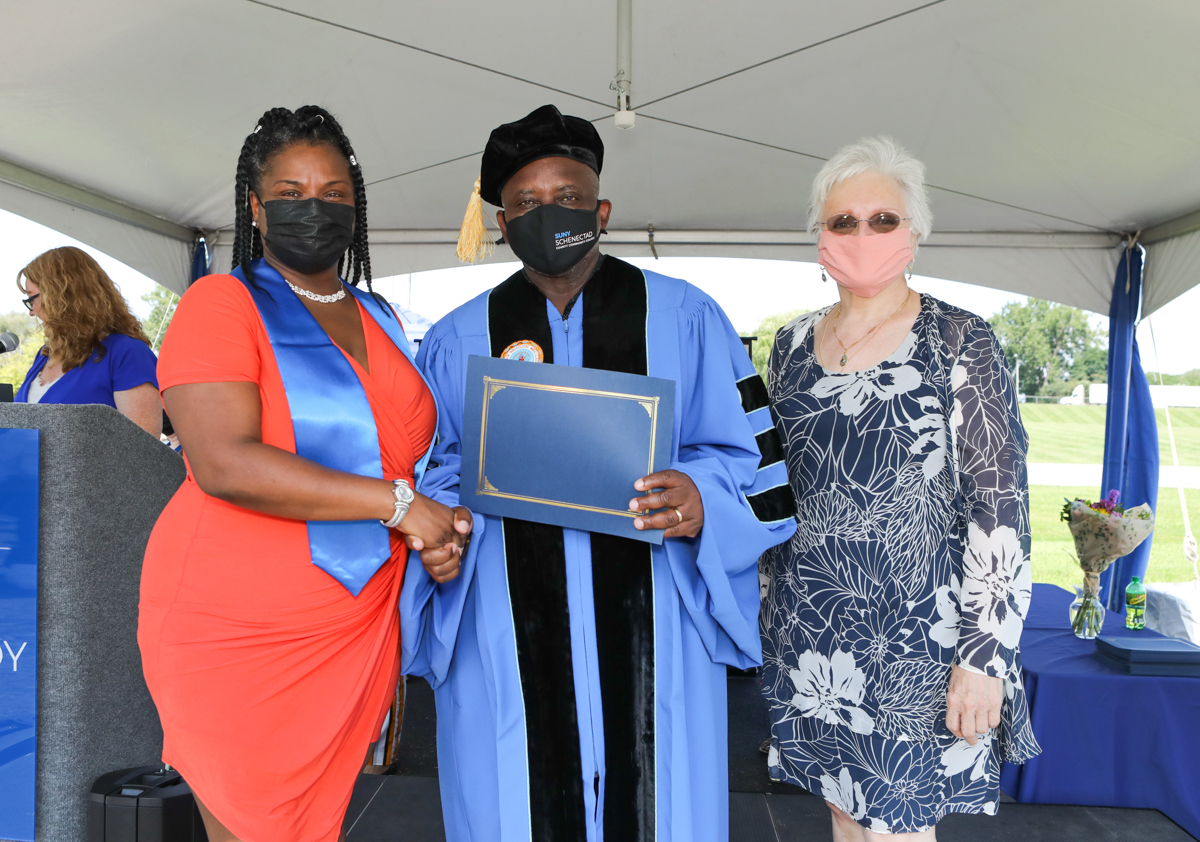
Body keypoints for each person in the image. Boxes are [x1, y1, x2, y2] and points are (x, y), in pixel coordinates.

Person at [401, 104, 797, 842]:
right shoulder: (457, 338)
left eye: (569, 199)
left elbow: (755, 465)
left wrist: (703, 500)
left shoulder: (685, 317)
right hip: (506, 615)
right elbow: (431, 470)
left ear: (603, 210)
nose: (548, 214)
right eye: (525, 203)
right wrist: (444, 521)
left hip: (655, 617)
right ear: (499, 218)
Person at [137, 105, 468, 842]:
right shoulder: (221, 304)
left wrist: (436, 522)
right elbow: (222, 462)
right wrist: (398, 506)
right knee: (250, 823)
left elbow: (408, 461)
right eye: (290, 192)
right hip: (237, 619)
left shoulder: (379, 314)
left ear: (357, 207)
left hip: (351, 620)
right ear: (255, 208)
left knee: (312, 825)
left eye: (334, 193)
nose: (313, 208)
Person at [759, 137, 1039, 840]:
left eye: (883, 219)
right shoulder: (790, 347)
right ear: (818, 237)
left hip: (919, 640)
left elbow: (998, 504)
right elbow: (769, 486)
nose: (862, 234)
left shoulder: (959, 339)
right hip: (812, 633)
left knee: (898, 827)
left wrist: (984, 658)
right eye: (842, 221)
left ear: (915, 232)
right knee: (844, 819)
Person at [15, 246, 161, 435]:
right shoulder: (44, 356)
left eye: (31, 299)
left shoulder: (127, 353)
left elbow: (142, 451)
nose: (31, 311)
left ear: (62, 296)